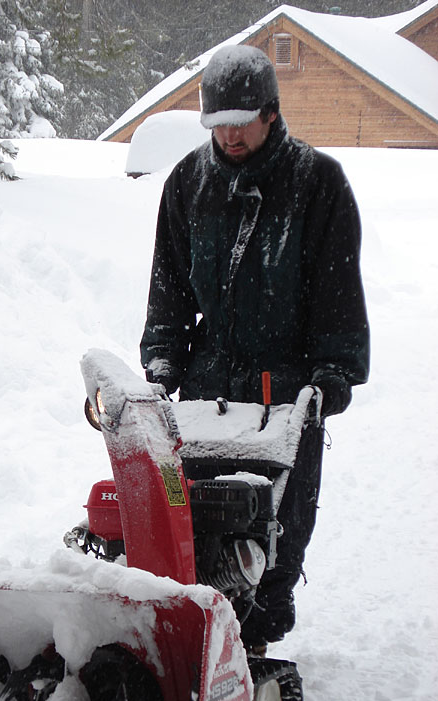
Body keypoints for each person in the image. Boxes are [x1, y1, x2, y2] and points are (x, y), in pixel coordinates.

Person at [140, 44, 370, 652]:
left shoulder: (317, 183)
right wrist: (163, 361)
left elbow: (337, 290)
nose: (230, 136)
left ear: (271, 112)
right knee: (197, 520)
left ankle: (255, 644)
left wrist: (335, 371)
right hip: (208, 389)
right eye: (218, 125)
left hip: (287, 393)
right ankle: (196, 638)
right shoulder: (188, 183)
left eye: (242, 121)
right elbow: (168, 286)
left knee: (275, 526)